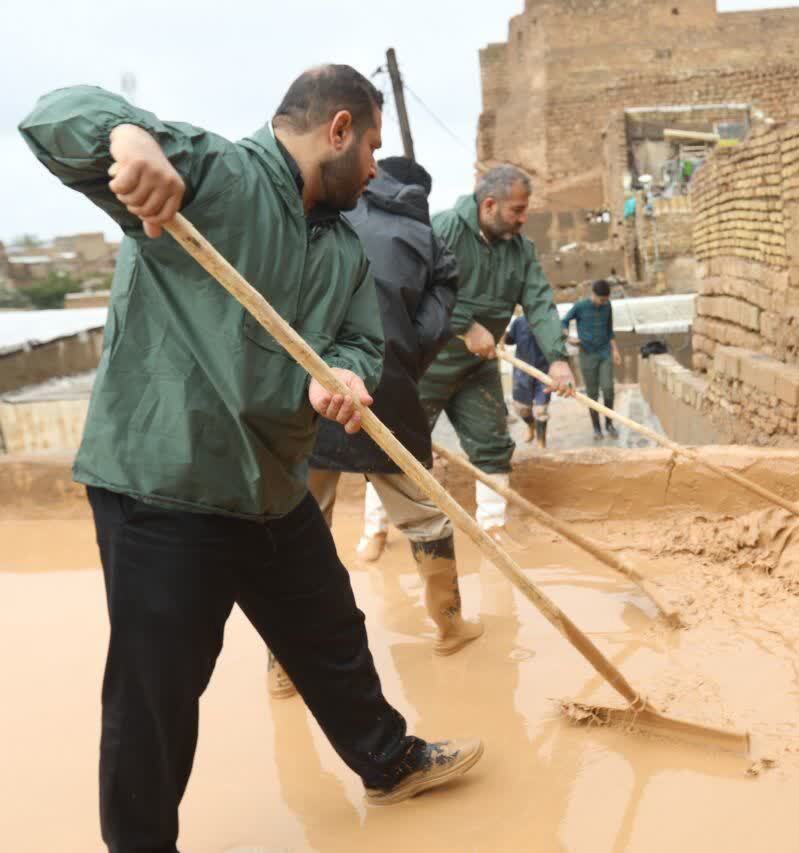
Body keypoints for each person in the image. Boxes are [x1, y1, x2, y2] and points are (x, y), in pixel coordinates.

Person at [18, 67, 482, 850]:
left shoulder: (341, 247)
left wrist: (340, 377)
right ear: (337, 130)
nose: (374, 168)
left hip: (271, 482)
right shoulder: (214, 175)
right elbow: (52, 115)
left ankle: (387, 760)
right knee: (157, 688)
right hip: (167, 485)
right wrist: (126, 138)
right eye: (370, 146)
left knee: (332, 630)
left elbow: (360, 343)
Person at [265, 156, 479, 701]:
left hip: (308, 390)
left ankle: (284, 667)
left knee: (294, 526)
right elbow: (434, 324)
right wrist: (402, 363)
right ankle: (451, 628)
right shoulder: (427, 241)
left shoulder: (318, 217)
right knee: (425, 518)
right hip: (384, 390)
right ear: (420, 193)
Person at [423, 165, 575, 530]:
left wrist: (557, 359)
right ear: (489, 204)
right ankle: (376, 534)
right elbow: (415, 286)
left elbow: (539, 303)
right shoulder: (441, 230)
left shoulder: (520, 250)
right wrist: (465, 325)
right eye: (517, 211)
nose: (524, 219)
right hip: (424, 365)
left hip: (477, 367)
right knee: (397, 447)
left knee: (492, 447)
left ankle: (494, 534)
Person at [563, 279, 622, 439]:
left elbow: (609, 330)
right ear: (593, 295)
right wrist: (568, 338)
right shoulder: (580, 306)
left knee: (608, 389)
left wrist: (615, 350)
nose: (604, 302)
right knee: (592, 394)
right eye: (601, 300)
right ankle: (596, 428)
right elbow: (564, 320)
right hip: (587, 354)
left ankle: (609, 424)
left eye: (606, 300)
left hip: (604, 353)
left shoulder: (607, 306)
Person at [502, 313, 552, 448]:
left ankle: (542, 443)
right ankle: (531, 426)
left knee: (541, 410)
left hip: (544, 371)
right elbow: (510, 340)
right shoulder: (519, 322)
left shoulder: (549, 319)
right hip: (522, 372)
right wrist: (501, 332)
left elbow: (557, 343)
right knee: (522, 409)